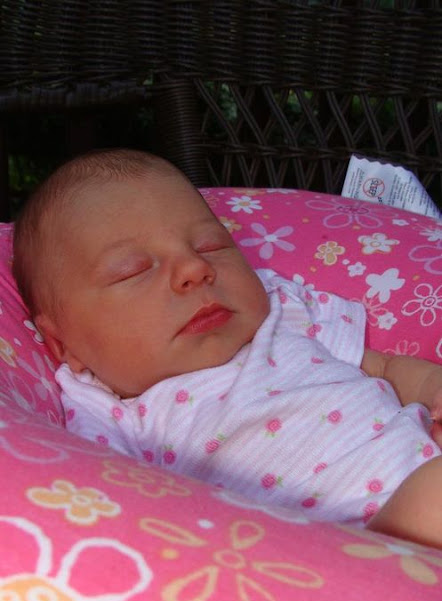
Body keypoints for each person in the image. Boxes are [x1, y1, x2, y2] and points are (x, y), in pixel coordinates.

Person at [13, 148, 442, 549]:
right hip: (363, 541)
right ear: (64, 343)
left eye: (211, 246)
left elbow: (382, 367)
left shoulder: (282, 312)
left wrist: (433, 387)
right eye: (134, 271)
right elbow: (117, 506)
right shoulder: (109, 413)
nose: (195, 268)